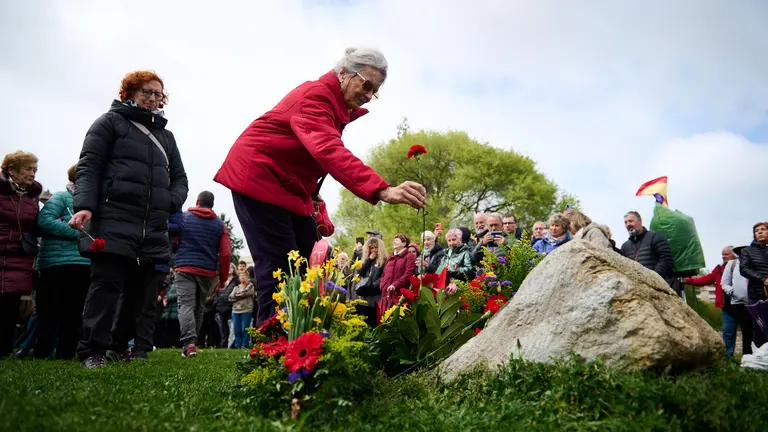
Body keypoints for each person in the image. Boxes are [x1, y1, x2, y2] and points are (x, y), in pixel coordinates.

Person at [214, 47, 426, 327]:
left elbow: (308, 159)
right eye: (366, 85)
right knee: (279, 267)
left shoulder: (334, 108)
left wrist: (315, 205)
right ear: (343, 73)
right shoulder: (315, 96)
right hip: (259, 177)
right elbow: (327, 149)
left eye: (373, 92)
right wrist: (382, 189)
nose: (367, 95)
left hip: (287, 186)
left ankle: (303, 338)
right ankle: (274, 347)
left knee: (306, 263)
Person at [69, 70, 188, 368]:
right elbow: (89, 167)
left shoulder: (166, 136)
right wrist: (84, 205)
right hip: (113, 218)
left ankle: (118, 347)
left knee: (138, 294)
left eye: (158, 94)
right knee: (105, 286)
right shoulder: (109, 123)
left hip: (152, 225)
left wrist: (169, 202)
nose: (153, 97)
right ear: (129, 93)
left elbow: (181, 178)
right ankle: (92, 351)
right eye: (146, 91)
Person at [34, 164, 91, 359]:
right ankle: (42, 351)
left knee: (74, 312)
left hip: (83, 263)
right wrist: (77, 233)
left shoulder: (92, 203)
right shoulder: (61, 197)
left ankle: (66, 353)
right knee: (50, 310)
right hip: (56, 263)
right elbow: (44, 221)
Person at [173, 191, 231, 357]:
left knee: (185, 305)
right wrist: (222, 278)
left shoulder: (184, 218)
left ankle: (189, 343)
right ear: (212, 205)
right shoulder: (220, 225)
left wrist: (175, 250)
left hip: (184, 267)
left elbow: (175, 241)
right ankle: (192, 343)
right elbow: (226, 253)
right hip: (206, 271)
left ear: (197, 201)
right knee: (198, 307)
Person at [0, 151, 42, 358]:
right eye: (28, 169)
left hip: (20, 255)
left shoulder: (33, 198)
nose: (32, 173)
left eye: (34, 169)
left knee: (11, 303)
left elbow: (36, 225)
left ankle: (5, 349)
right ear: (11, 170)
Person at [620, 211, 674, 280]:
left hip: (657, 284)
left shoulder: (655, 236)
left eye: (630, 221)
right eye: (626, 222)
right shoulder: (625, 247)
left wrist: (653, 278)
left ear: (640, 221)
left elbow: (666, 259)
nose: (628, 224)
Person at [740, 222, 768, 348]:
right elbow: (744, 269)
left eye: (763, 229)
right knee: (759, 325)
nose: (760, 232)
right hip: (757, 293)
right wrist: (763, 279)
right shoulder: (748, 251)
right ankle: (761, 356)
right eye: (757, 230)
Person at [378, 234, 416, 323]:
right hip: (386, 294)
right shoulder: (390, 257)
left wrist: (395, 285)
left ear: (404, 243)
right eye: (394, 240)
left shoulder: (409, 256)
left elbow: (408, 273)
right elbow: (384, 273)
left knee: (397, 321)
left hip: (398, 294)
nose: (394, 241)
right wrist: (382, 285)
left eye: (397, 240)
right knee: (384, 321)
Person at [352, 237, 386, 327]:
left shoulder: (384, 260)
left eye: (376, 247)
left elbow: (384, 276)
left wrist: (372, 286)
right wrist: (369, 260)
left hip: (375, 295)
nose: (374, 250)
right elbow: (360, 273)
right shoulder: (366, 259)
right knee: (362, 322)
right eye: (371, 248)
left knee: (373, 322)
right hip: (363, 295)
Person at [229, 267, 255, 349]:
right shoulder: (235, 287)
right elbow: (230, 297)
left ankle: (245, 345)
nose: (242, 277)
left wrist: (237, 295)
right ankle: (237, 346)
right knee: (237, 330)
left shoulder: (250, 286)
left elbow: (246, 293)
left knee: (245, 329)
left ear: (248, 277)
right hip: (235, 311)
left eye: (244, 276)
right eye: (241, 276)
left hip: (246, 310)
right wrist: (239, 294)